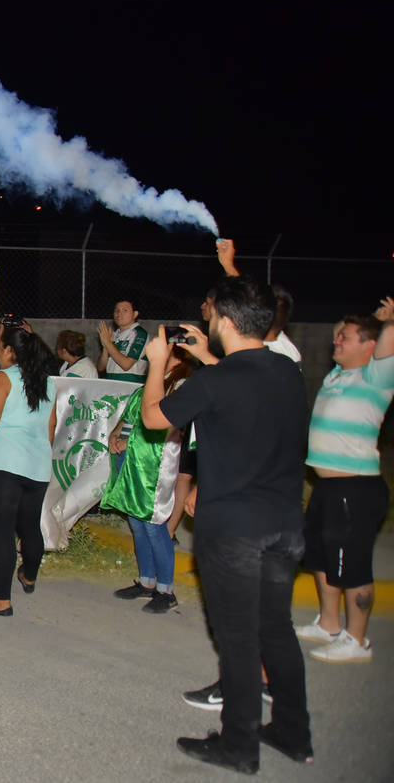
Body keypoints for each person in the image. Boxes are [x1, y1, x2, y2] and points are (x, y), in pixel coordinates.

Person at [141, 276, 312, 773]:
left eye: (213, 314)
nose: (208, 320)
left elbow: (153, 418)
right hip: (284, 523)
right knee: (276, 629)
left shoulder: (214, 381)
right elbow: (241, 384)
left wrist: (159, 363)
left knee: (237, 637)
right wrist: (206, 357)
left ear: (227, 322)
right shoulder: (286, 369)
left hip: (234, 528)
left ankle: (238, 744)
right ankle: (293, 732)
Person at [295, 299, 394, 663]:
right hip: (327, 487)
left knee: (353, 565)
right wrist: (361, 323)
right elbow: (345, 327)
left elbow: (387, 343)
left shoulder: (377, 377)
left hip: (357, 487)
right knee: (322, 557)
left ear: (370, 346)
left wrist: (389, 322)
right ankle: (329, 624)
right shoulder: (337, 375)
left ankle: (357, 639)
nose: (336, 340)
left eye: (345, 337)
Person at [0, 327, 57, 616]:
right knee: (30, 526)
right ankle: (29, 575)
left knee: (2, 532)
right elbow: (50, 428)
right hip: (38, 465)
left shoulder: (2, 378)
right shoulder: (48, 382)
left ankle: (1, 600)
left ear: (10, 351)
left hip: (5, 464)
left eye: (1, 347)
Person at [102, 346, 195, 613]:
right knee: (136, 520)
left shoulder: (182, 384)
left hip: (155, 461)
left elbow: (165, 423)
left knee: (154, 524)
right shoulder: (156, 377)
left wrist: (128, 441)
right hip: (132, 457)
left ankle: (166, 590)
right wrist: (116, 434)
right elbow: (133, 413)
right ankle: (147, 582)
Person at [96, 298, 148, 383]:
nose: (119, 314)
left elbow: (126, 365)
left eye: (125, 310)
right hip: (112, 383)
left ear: (135, 314)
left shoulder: (139, 333)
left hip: (131, 385)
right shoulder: (114, 334)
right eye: (117, 310)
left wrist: (108, 343)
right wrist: (105, 347)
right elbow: (101, 368)